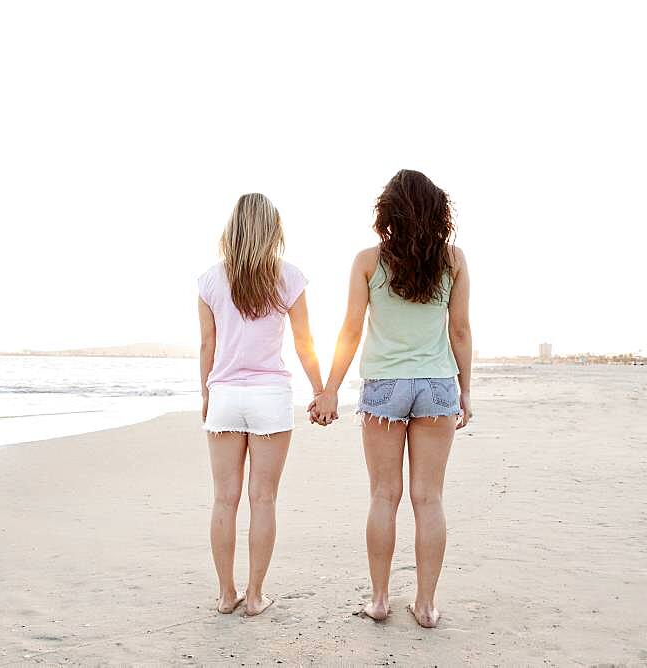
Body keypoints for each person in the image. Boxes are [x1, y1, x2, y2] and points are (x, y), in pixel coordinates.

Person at [311, 170, 473, 628]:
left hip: (384, 384)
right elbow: (459, 331)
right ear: (438, 212)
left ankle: (380, 600)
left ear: (388, 212)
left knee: (384, 495)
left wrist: (330, 389)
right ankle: (424, 606)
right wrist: (465, 390)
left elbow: (350, 330)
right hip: (437, 384)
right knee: (429, 499)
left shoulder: (368, 260)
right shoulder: (453, 260)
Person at [198, 192, 324, 616]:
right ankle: (254, 596)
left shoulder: (211, 280)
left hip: (226, 397)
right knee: (263, 499)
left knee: (224, 500)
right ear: (273, 230)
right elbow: (305, 343)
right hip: (270, 397)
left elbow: (207, 345)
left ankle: (224, 594)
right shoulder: (288, 277)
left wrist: (205, 394)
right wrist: (321, 389)